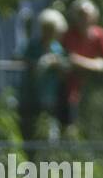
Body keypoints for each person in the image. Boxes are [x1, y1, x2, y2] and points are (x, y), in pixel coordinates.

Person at [58, 0, 103, 135]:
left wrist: (85, 64)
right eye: (80, 14)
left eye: (87, 14)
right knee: (68, 128)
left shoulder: (99, 34)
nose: (84, 18)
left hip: (93, 89)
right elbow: (71, 59)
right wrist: (96, 64)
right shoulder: (68, 34)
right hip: (67, 89)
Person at [18, 8, 68, 144]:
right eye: (47, 28)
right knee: (30, 131)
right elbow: (24, 61)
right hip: (30, 96)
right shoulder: (33, 45)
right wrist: (41, 62)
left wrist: (57, 63)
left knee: (49, 132)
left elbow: (64, 73)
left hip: (50, 97)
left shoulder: (58, 48)